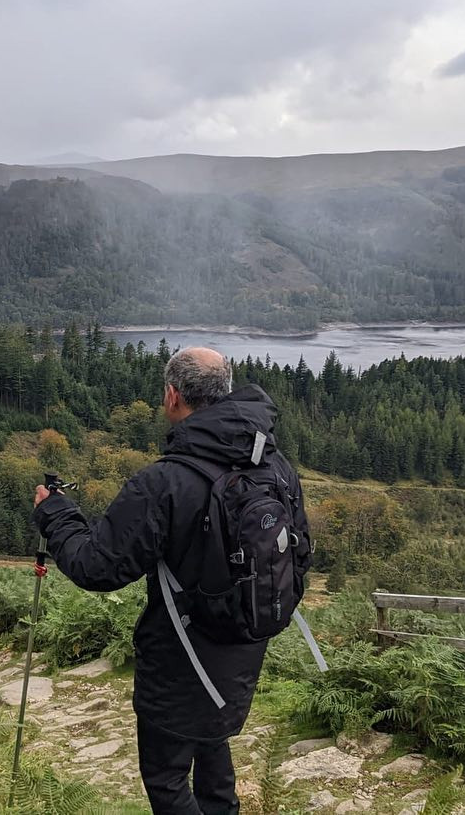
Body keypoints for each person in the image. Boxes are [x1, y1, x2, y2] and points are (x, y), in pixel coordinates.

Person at [32, 347, 312, 814]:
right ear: (223, 391)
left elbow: (96, 567)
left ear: (172, 396)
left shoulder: (165, 481)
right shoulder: (274, 467)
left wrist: (56, 514)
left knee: (166, 781)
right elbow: (299, 554)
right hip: (244, 645)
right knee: (213, 750)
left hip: (179, 656)